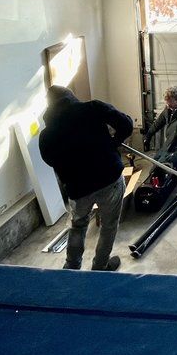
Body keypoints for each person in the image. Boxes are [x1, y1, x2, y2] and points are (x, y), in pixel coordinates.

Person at [39, 85, 133, 272]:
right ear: (71, 96)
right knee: (108, 225)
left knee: (78, 226)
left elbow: (50, 160)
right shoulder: (93, 108)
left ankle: (72, 267)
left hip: (78, 188)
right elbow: (127, 124)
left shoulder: (47, 134)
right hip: (109, 179)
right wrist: (113, 143)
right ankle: (99, 267)